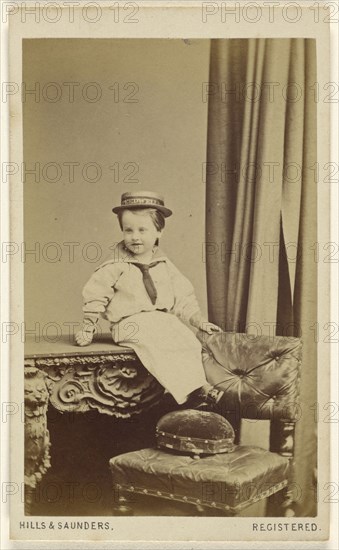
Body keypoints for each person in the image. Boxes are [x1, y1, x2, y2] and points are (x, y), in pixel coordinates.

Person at [75, 191, 224, 407]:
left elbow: (183, 296)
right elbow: (96, 294)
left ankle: (196, 389)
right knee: (156, 343)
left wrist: (199, 321)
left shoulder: (164, 265)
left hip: (161, 320)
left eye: (142, 230)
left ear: (159, 232)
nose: (135, 237)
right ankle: (193, 391)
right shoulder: (115, 265)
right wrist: (88, 328)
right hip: (129, 323)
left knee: (187, 339)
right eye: (128, 230)